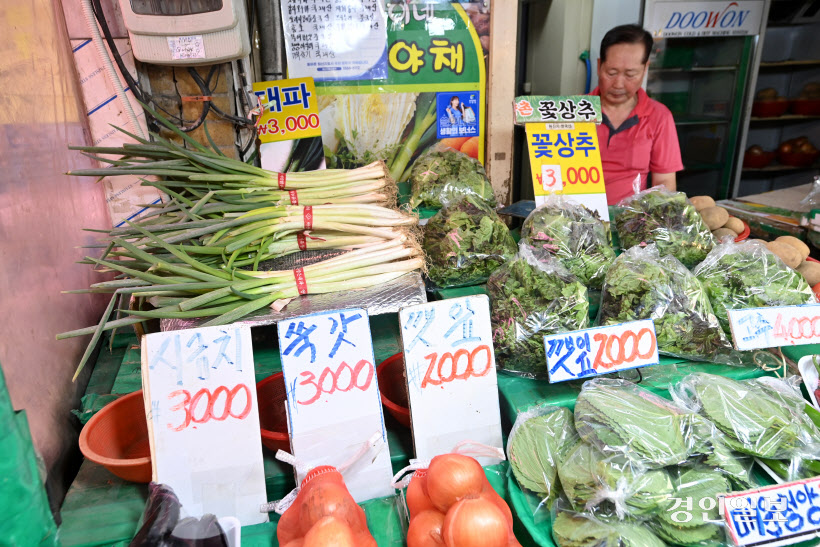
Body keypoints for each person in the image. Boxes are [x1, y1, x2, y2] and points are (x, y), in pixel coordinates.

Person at [592, 24, 683, 205]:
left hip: (631, 222)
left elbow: (664, 184)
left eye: (630, 74)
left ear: (645, 69)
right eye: (611, 72)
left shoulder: (659, 117)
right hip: (576, 220)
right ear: (599, 66)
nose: (618, 84)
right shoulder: (572, 111)